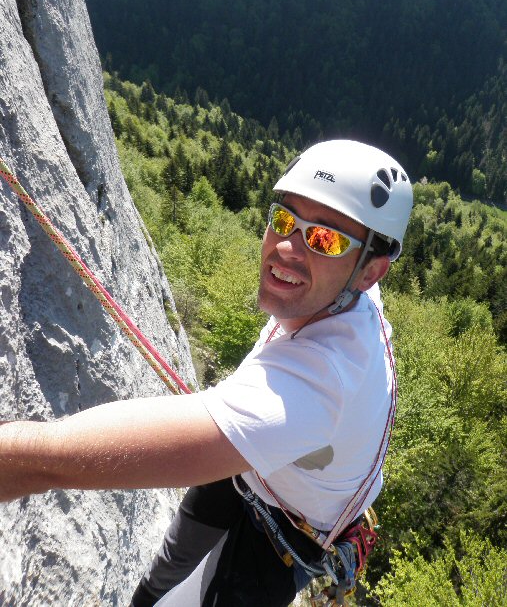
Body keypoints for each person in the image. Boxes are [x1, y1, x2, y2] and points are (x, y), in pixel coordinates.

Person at [0, 140, 413, 606]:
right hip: (251, 473)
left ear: (370, 273)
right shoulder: (342, 290)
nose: (286, 247)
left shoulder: (322, 384)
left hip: (281, 536)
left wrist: (14, 458)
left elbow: (53, 461)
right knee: (170, 567)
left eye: (324, 238)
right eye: (284, 220)